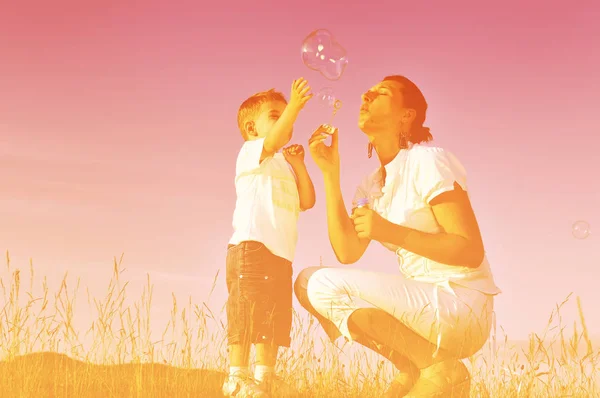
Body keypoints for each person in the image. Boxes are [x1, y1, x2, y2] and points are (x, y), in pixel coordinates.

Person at [294, 75, 501, 397]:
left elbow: (469, 251)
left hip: (459, 303)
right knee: (308, 283)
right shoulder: (372, 185)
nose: (366, 93)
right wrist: (329, 173)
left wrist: (389, 231)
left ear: (407, 116)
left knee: (321, 283)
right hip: (424, 309)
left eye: (382, 92)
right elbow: (347, 251)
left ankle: (440, 369)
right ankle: (414, 364)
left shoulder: (428, 160)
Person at [223, 78, 316, 397]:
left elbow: (307, 201)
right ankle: (237, 375)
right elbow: (273, 142)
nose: (287, 118)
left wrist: (300, 165)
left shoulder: (285, 165)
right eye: (276, 115)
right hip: (252, 246)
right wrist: (295, 105)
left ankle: (265, 377)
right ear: (251, 128)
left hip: (280, 255)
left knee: (273, 318)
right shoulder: (251, 152)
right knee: (247, 311)